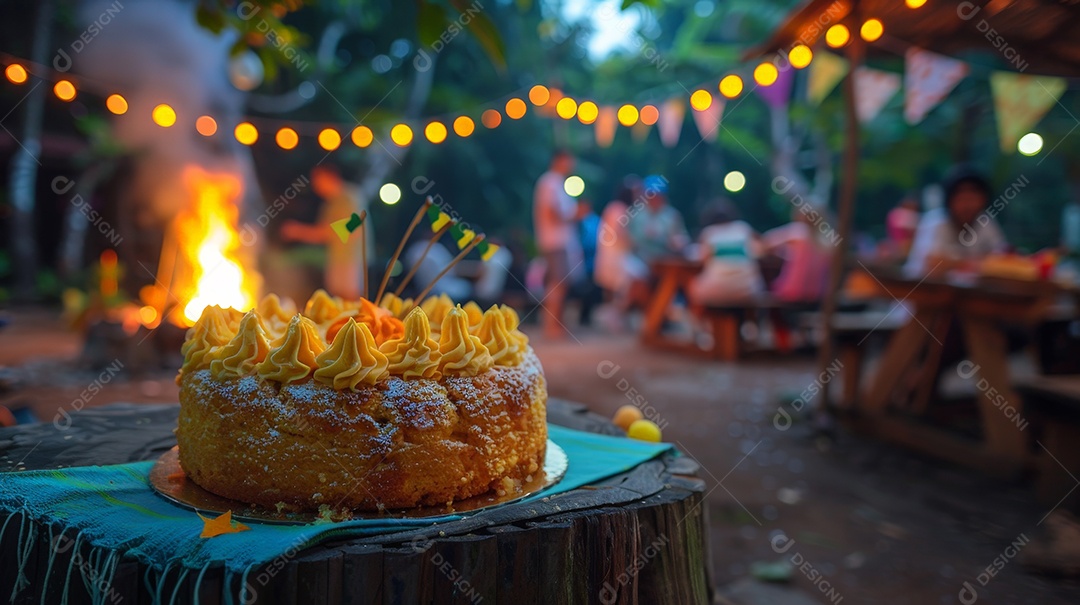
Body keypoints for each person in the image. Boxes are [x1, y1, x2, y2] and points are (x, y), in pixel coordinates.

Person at [280, 165, 372, 299]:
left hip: (351, 260)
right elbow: (324, 233)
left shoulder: (350, 197)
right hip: (336, 258)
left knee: (351, 301)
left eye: (319, 181)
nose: (316, 187)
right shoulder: (330, 203)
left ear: (331, 177)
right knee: (337, 300)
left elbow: (348, 228)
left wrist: (298, 231)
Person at [904, 166, 1007, 277]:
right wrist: (978, 263)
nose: (967, 206)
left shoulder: (985, 222)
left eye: (973, 199)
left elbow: (1003, 256)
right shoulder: (935, 222)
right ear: (949, 201)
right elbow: (932, 264)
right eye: (962, 199)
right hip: (924, 291)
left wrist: (954, 263)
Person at [532, 149, 584, 339]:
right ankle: (551, 325)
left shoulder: (557, 183)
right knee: (557, 283)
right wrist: (576, 214)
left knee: (559, 282)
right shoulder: (550, 182)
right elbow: (554, 212)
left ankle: (555, 324)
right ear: (560, 161)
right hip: (554, 241)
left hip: (559, 241)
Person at [688, 200, 764, 305]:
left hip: (716, 289)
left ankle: (702, 320)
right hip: (748, 289)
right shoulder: (743, 228)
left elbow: (700, 258)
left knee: (693, 286)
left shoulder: (709, 232)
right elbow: (760, 250)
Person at [595, 177, 649, 313]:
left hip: (617, 256)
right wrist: (637, 242)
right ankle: (620, 311)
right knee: (640, 276)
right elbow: (618, 234)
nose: (639, 196)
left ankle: (619, 311)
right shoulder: (618, 209)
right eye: (636, 192)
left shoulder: (617, 208)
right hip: (615, 257)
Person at [762, 204, 832, 303]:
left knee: (764, 289)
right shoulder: (827, 242)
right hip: (817, 296)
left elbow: (767, 241)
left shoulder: (799, 231)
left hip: (792, 294)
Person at [627, 175, 690, 266]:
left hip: (665, 261)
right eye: (651, 194)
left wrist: (679, 242)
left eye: (657, 195)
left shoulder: (672, 215)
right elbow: (627, 238)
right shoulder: (635, 213)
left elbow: (682, 238)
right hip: (639, 260)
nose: (654, 198)